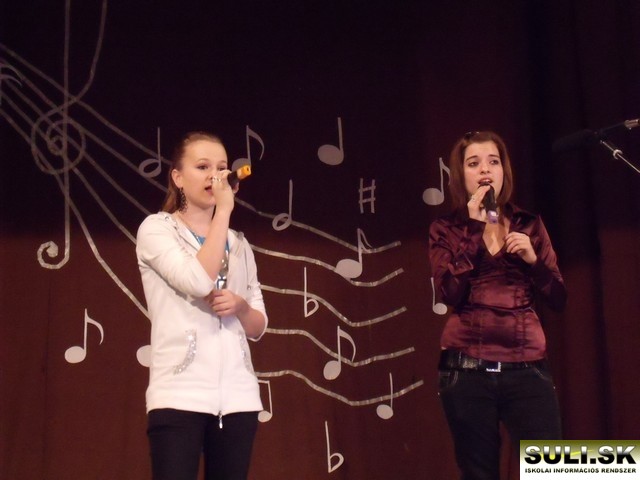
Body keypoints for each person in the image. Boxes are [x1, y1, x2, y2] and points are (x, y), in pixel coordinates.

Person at [428, 131, 566, 480]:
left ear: (505, 170)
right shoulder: (446, 229)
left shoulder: (529, 224)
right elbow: (449, 293)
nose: (485, 170)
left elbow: (558, 298)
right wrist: (474, 230)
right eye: (474, 163)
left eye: (493, 161)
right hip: (466, 370)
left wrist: (534, 261)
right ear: (461, 175)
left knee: (551, 470)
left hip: (528, 368)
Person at [136, 131, 268, 480]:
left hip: (238, 399)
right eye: (203, 167)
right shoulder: (157, 230)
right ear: (178, 177)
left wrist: (241, 307)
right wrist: (223, 211)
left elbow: (258, 326)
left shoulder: (239, 244)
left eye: (221, 167)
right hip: (180, 395)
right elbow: (196, 281)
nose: (215, 176)